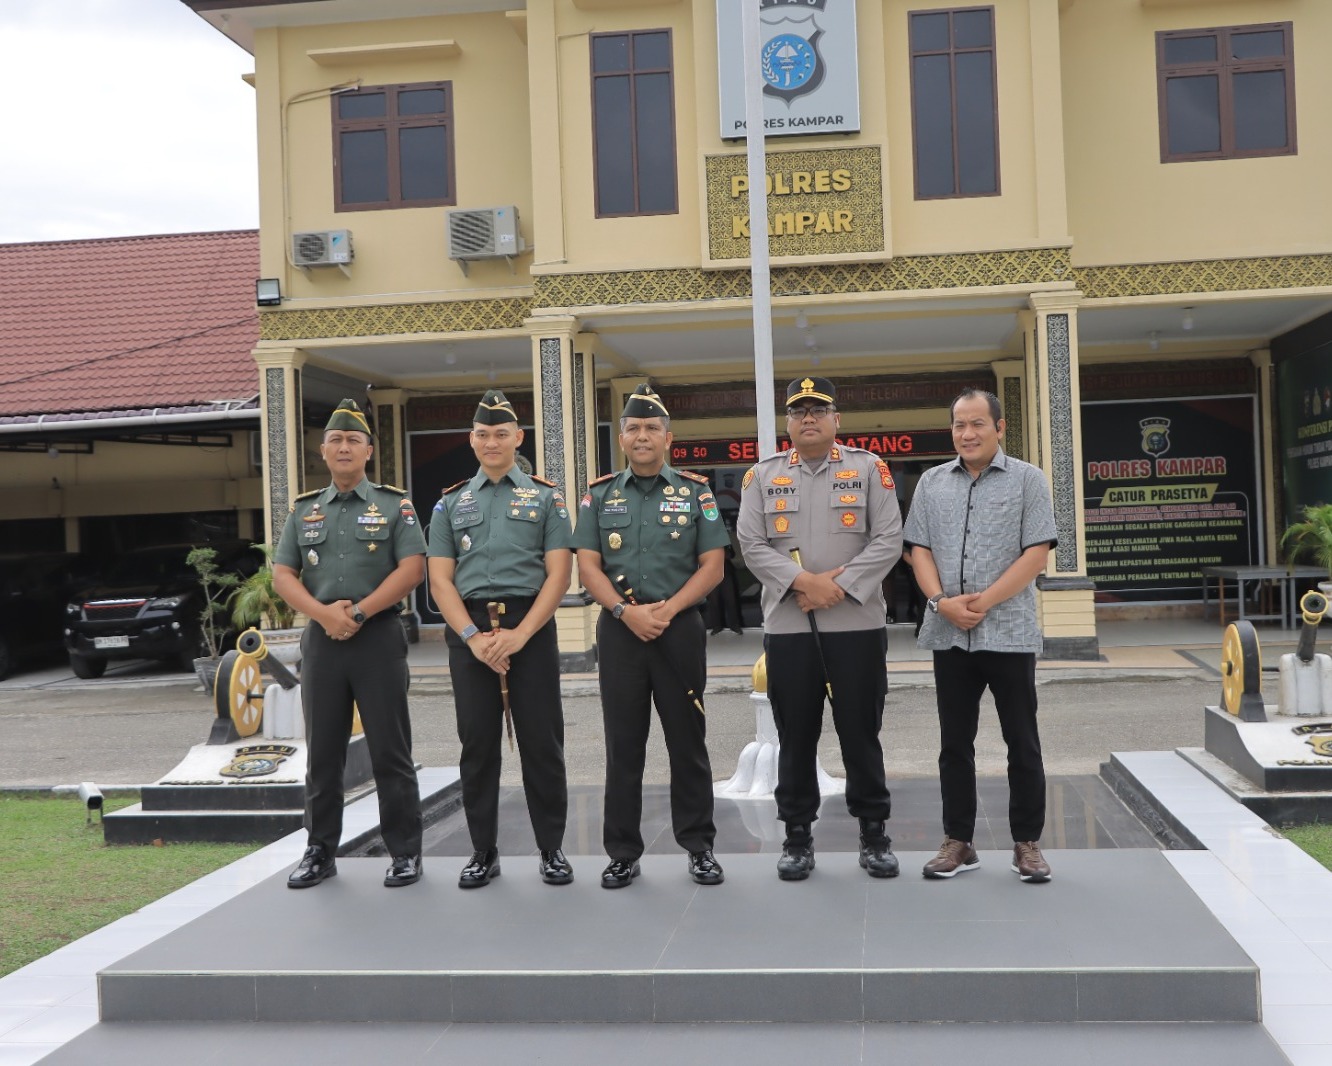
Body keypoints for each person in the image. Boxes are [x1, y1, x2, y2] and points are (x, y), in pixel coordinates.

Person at [737, 376, 903, 881]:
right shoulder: (761, 477)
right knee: (796, 735)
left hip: (855, 623)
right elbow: (750, 543)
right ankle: (796, 837)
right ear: (788, 423)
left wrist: (839, 586)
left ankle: (874, 835)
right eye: (799, 411)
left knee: (861, 733)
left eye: (819, 409)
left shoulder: (869, 468)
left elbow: (889, 537)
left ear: (837, 419)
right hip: (789, 626)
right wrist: (803, 582)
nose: (809, 418)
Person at [574, 384, 730, 889]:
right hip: (621, 632)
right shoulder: (599, 495)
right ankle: (622, 851)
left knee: (687, 743)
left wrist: (669, 609)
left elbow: (713, 566)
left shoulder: (695, 491)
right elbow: (588, 567)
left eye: (652, 428)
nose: (643, 436)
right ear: (621, 437)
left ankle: (699, 846)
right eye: (634, 428)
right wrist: (625, 611)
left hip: (678, 630)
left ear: (669, 437)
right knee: (624, 746)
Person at [903, 388, 1058, 884]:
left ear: (999, 427)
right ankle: (958, 841)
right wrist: (941, 603)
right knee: (954, 743)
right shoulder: (931, 482)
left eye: (976, 424)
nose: (966, 434)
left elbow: (1037, 553)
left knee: (1022, 741)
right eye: (958, 425)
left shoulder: (1029, 480)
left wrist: (983, 603)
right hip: (949, 634)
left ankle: (1027, 844)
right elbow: (917, 549)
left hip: (1008, 632)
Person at [273, 399, 427, 889]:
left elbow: (412, 569)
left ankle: (405, 852)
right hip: (322, 639)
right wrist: (324, 615)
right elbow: (283, 574)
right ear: (323, 451)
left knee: (390, 750)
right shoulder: (305, 510)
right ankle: (319, 850)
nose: (344, 447)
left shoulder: (393, 505)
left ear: (368, 451)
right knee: (322, 754)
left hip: (377, 635)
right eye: (336, 440)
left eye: (353, 440)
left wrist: (359, 612)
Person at [426, 390, 574, 889]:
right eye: (483, 434)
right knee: (478, 745)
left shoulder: (546, 496)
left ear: (518, 438)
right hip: (469, 633)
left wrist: (521, 635)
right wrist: (471, 638)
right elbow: (440, 579)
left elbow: (558, 574)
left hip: (528, 627)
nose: (492, 442)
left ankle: (551, 849)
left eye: (501, 433)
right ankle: (482, 851)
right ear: (472, 440)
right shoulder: (449, 503)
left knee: (542, 743)